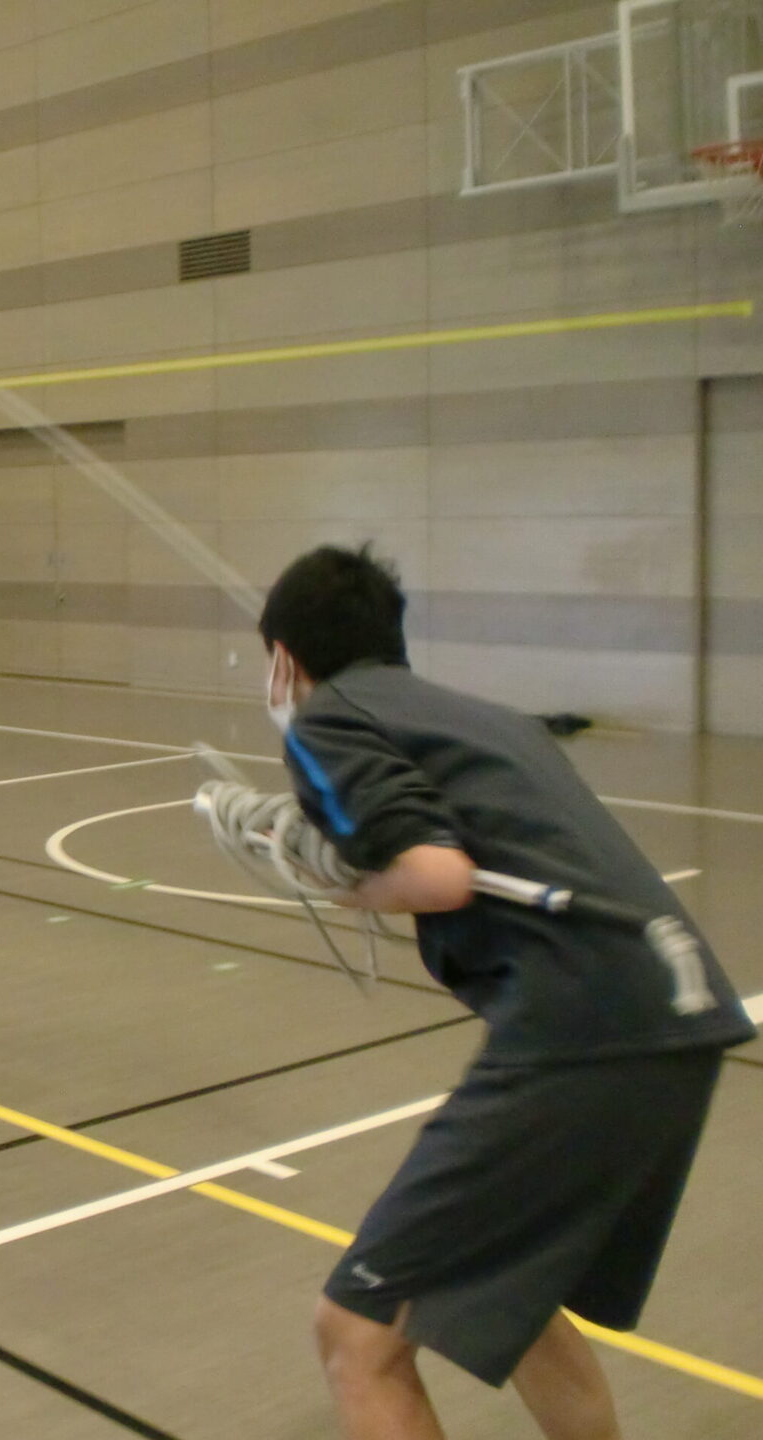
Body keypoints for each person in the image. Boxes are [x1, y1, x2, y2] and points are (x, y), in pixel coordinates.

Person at [257, 545, 756, 1440]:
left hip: (583, 1023)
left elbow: (436, 876)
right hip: (681, 1008)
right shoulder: (487, 719)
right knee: (512, 1290)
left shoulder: (327, 720)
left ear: (284, 661)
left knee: (356, 1336)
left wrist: (344, 884)